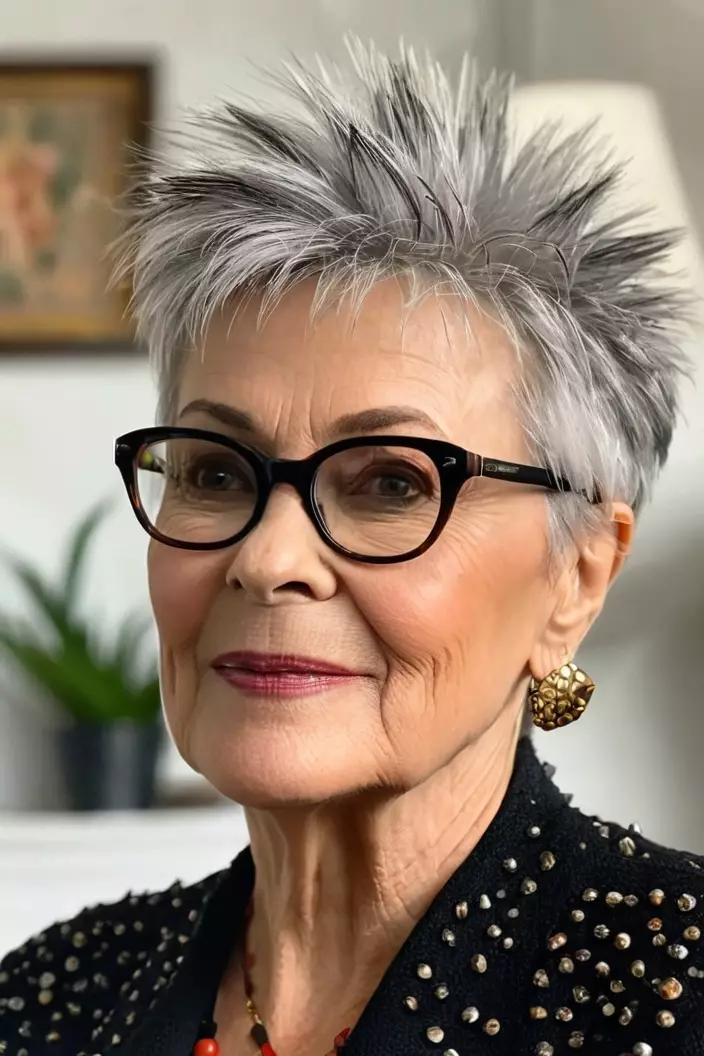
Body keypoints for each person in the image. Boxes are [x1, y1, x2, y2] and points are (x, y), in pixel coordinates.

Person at [1, 40, 702, 1056]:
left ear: (575, 575)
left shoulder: (674, 996)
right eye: (216, 471)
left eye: (389, 483)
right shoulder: (48, 999)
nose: (266, 557)